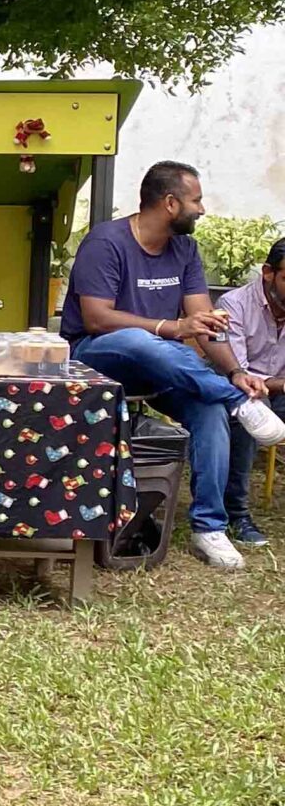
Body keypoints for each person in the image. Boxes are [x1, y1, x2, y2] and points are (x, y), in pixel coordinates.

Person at [61, 160, 285, 571]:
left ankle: (209, 527)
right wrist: (172, 327)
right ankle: (237, 401)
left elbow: (204, 324)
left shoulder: (184, 249)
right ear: (170, 203)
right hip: (96, 358)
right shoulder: (106, 242)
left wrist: (235, 371)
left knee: (209, 409)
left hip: (165, 365)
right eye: (196, 200)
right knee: (140, 340)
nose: (202, 209)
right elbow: (96, 318)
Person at [221, 235, 285, 548]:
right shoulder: (234, 304)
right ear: (268, 273)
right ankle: (236, 515)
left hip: (279, 391)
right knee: (248, 413)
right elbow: (238, 372)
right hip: (239, 390)